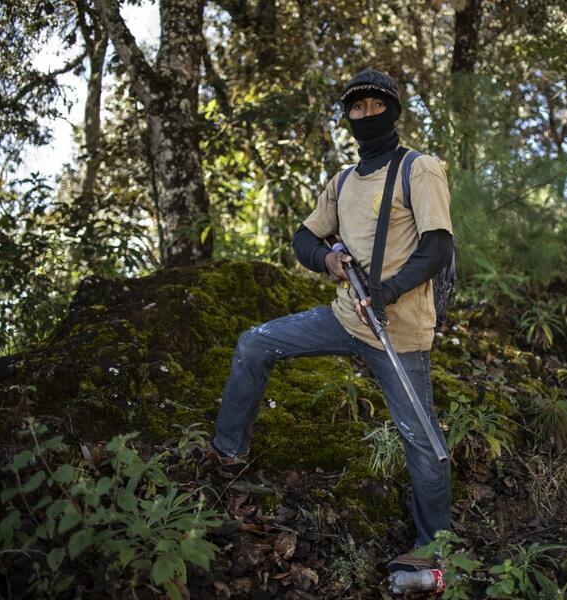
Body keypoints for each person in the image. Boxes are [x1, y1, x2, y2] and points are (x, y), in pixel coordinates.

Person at [207, 68, 454, 569]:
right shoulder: (342, 181)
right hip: (346, 316)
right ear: (347, 116)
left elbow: (437, 246)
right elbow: (304, 237)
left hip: (398, 333)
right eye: (356, 108)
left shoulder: (420, 169)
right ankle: (227, 455)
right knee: (253, 343)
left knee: (423, 441)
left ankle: (433, 551)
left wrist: (386, 292)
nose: (366, 115)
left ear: (394, 111)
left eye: (376, 106)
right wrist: (329, 260)